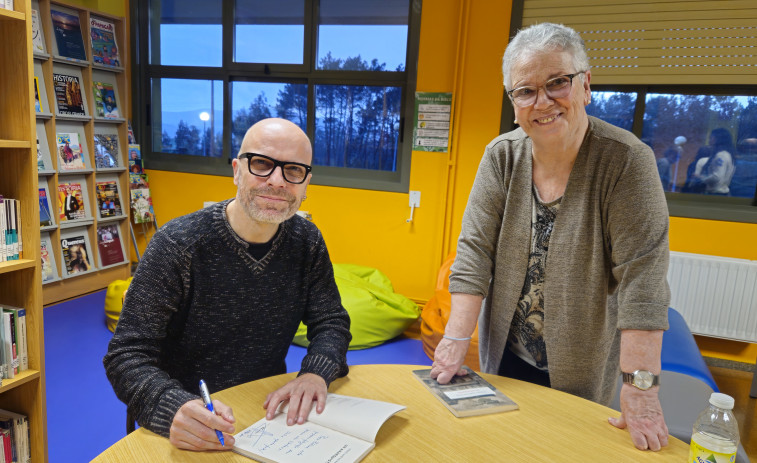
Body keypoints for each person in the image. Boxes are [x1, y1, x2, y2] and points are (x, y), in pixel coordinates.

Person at [430, 23, 671, 452]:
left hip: (581, 361)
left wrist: (641, 387)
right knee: (498, 447)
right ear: (513, 100)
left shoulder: (627, 161)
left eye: (557, 82)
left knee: (564, 451)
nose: (542, 102)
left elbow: (643, 279)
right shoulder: (501, 155)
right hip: (504, 351)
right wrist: (454, 339)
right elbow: (474, 251)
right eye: (525, 91)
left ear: (585, 85)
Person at [104, 118, 352, 451]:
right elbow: (126, 355)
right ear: (237, 170)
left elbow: (331, 321)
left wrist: (315, 372)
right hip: (186, 424)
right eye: (262, 164)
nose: (277, 181)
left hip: (266, 415)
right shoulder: (177, 245)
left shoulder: (307, 242)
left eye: (293, 170)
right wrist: (171, 405)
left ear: (306, 183)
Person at [691, 128, 736, 195]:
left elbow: (717, 177)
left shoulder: (721, 156)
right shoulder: (728, 154)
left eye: (711, 137)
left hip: (716, 193)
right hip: (721, 193)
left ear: (718, 139)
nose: (709, 140)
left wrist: (700, 177)